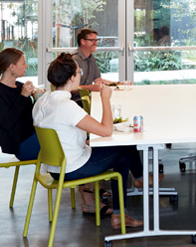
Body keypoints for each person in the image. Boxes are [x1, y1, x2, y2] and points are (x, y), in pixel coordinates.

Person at [33, 53, 144, 228]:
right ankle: (120, 214)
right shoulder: (68, 107)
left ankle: (132, 189)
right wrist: (105, 98)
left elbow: (61, 133)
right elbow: (106, 130)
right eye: (79, 72)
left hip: (54, 167)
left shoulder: (42, 102)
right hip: (73, 168)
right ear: (71, 78)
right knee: (123, 153)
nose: (80, 75)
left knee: (118, 149)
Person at [0, 48, 41, 161]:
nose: (26, 66)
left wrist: (37, 98)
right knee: (62, 145)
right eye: (23, 63)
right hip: (20, 145)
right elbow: (8, 123)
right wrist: (23, 96)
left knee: (62, 137)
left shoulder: (20, 86)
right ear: (12, 67)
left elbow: (31, 116)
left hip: (33, 135)